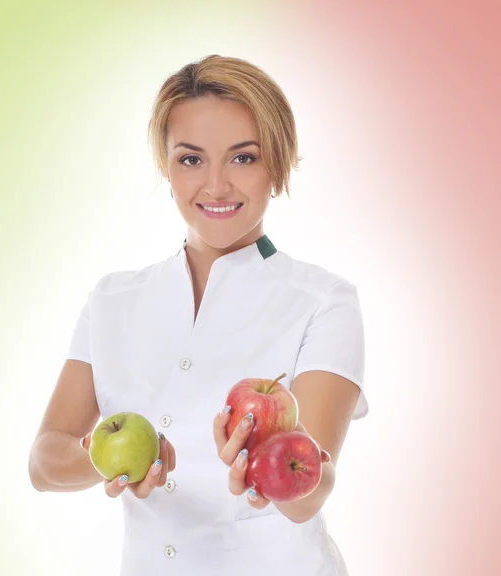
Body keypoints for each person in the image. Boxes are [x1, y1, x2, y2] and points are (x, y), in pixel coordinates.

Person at [28, 54, 367, 576]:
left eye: (243, 158)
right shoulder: (112, 301)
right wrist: (114, 461)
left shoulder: (324, 302)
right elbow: (45, 462)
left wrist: (258, 469)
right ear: (166, 168)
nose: (215, 187)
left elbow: (309, 494)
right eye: (190, 160)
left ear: (276, 165)